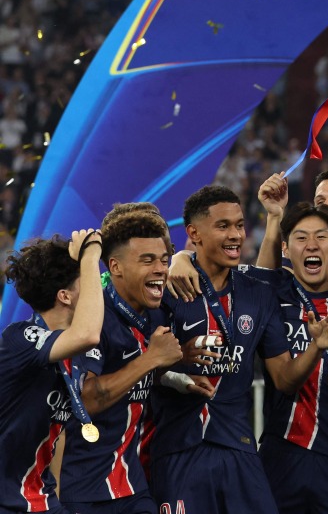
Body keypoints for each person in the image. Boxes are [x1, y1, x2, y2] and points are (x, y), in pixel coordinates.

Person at [152, 185, 328, 514]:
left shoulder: (258, 291)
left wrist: (315, 348)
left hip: (239, 448)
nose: (236, 235)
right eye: (223, 226)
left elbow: (284, 379)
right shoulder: (169, 289)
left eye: (239, 225)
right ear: (194, 233)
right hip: (180, 447)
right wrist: (178, 362)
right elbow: (141, 367)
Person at [60, 212, 200, 514]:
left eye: (164, 260)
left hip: (134, 485)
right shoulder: (93, 318)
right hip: (84, 490)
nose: (160, 269)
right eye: (147, 260)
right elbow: (85, 399)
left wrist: (175, 369)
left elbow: (138, 371)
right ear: (116, 267)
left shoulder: (157, 314)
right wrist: (152, 358)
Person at [251, 203, 328, 514]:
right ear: (286, 250)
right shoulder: (274, 293)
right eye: (301, 238)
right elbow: (254, 274)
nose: (312, 245)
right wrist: (184, 259)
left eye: (321, 236)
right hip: (282, 451)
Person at [0, 230, 104, 514]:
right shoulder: (20, 338)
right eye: (89, 282)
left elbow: (56, 435)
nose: (99, 290)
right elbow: (88, 333)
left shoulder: (74, 356)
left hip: (43, 501)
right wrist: (91, 255)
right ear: (65, 296)